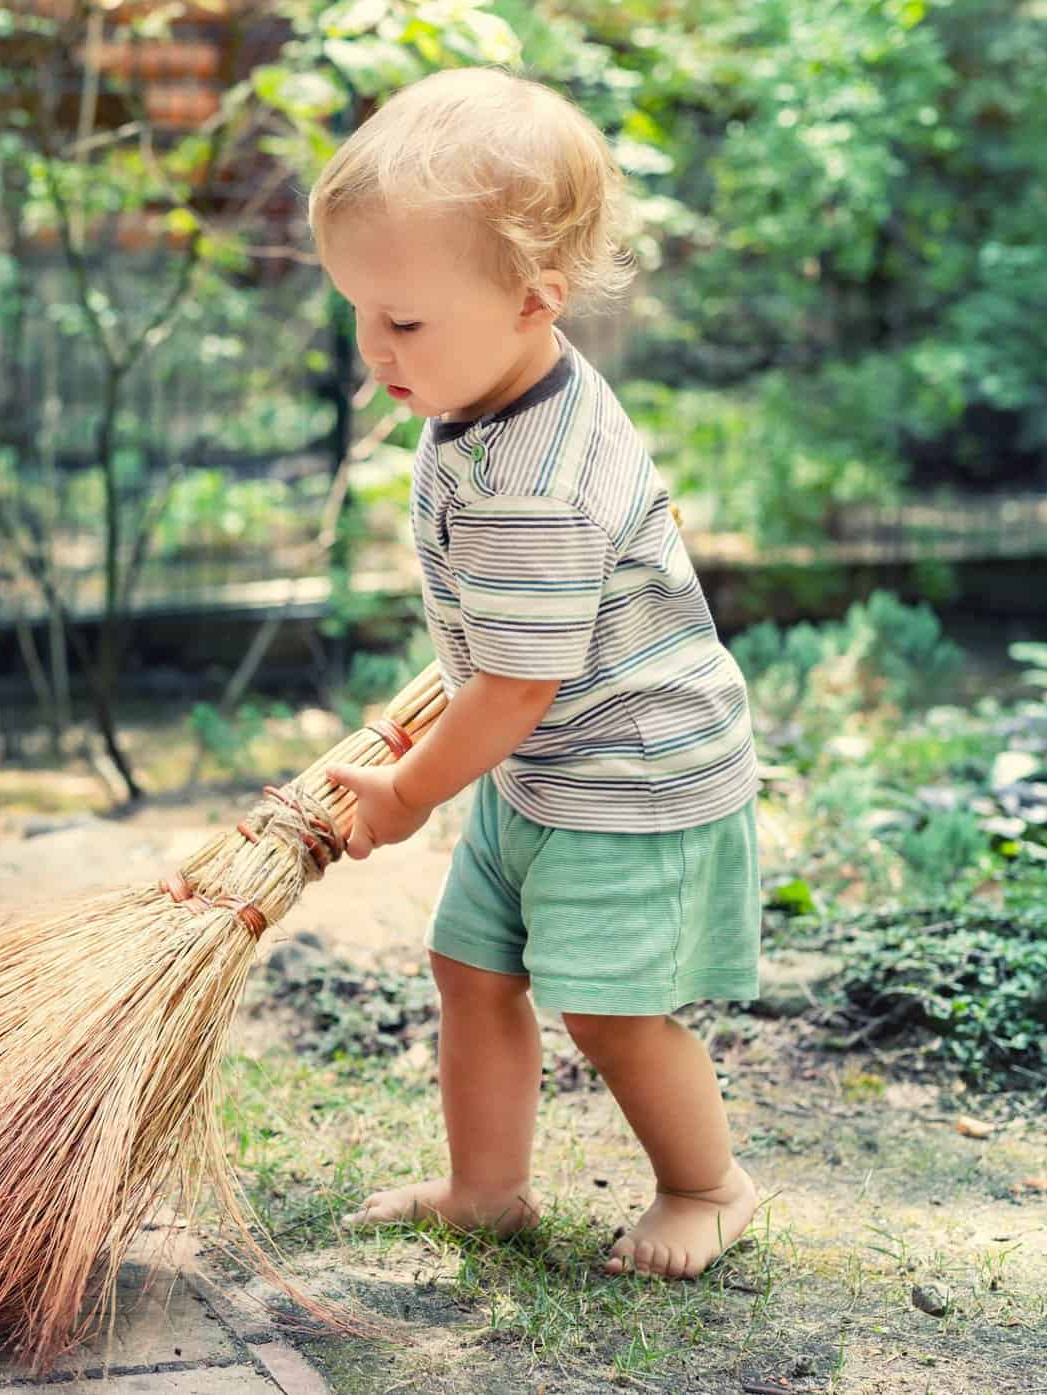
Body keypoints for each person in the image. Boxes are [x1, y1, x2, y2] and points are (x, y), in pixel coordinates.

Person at [315, 66, 763, 1281]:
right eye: (358, 312)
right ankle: (485, 1189)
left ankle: (704, 1186)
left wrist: (409, 792)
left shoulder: (534, 477)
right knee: (470, 966)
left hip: (627, 778)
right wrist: (437, 710)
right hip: (546, 769)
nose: (374, 351)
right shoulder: (486, 397)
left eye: (403, 322)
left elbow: (519, 688)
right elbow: (507, 644)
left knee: (612, 1008)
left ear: (533, 299)